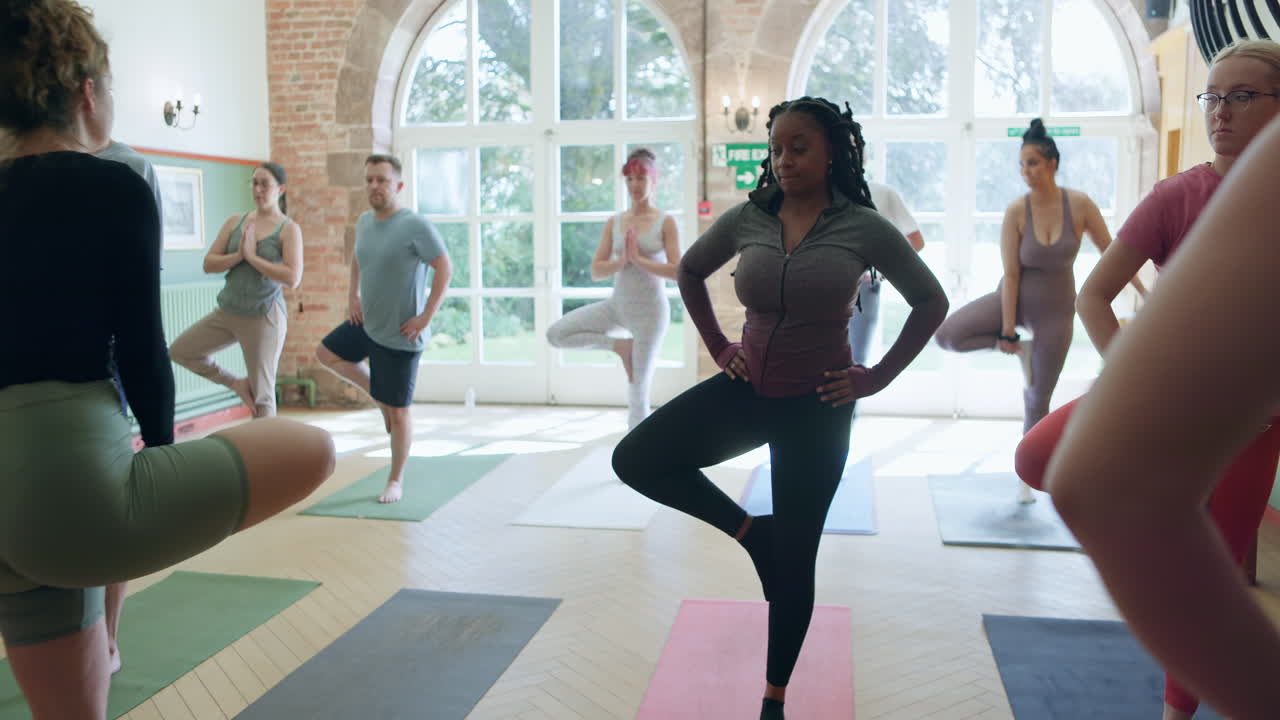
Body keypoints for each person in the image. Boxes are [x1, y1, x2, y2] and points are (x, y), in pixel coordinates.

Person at [0, 3, 335, 717]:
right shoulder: (113, 183)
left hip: (20, 496)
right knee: (313, 447)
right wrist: (154, 452)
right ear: (87, 91)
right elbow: (146, 352)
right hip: (69, 490)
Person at [612, 97, 948, 720]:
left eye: (799, 147)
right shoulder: (750, 218)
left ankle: (774, 698)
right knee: (636, 459)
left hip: (817, 409)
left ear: (831, 152)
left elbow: (931, 301)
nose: (784, 160)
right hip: (747, 390)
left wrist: (875, 378)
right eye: (777, 148)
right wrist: (718, 344)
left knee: (798, 560)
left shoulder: (863, 226)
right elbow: (689, 272)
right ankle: (750, 534)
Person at [1015, 39, 1280, 720]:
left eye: (1242, 96)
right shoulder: (1179, 194)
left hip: (1252, 423)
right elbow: (1095, 296)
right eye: (1213, 96)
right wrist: (1130, 380)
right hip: (1169, 399)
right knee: (1038, 456)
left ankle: (1176, 712)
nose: (1221, 111)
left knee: (1212, 578)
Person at [933, 119, 1145, 437]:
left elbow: (1112, 252)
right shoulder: (1017, 211)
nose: (1025, 172)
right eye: (1021, 165)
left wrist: (1143, 291)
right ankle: (1022, 349)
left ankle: (1028, 475)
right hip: (1013, 301)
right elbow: (1011, 273)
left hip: (1056, 315)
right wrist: (1005, 332)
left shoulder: (1080, 204)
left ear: (1052, 163)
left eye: (1031, 163)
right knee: (948, 336)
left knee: (1037, 399)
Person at [316, 154, 452, 504]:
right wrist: (352, 295)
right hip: (367, 322)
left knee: (400, 413)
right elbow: (358, 259)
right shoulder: (364, 222)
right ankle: (378, 395)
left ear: (399, 186)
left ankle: (395, 480)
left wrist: (425, 317)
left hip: (402, 334)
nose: (374, 187)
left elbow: (444, 268)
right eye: (370, 180)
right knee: (326, 353)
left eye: (382, 180)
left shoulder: (414, 225)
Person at [546, 148, 681, 429]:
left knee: (638, 390)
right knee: (557, 334)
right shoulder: (615, 222)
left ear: (653, 181)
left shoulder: (665, 222)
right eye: (629, 179)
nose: (634, 185)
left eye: (640, 179)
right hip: (616, 307)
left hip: (650, 314)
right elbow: (596, 270)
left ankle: (637, 456)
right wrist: (622, 261)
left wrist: (640, 260)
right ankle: (620, 346)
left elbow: (677, 272)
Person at [170, 162, 301, 418]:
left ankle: (265, 455)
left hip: (264, 316)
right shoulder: (235, 222)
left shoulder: (288, 229)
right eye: (254, 182)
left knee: (263, 397)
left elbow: (292, 277)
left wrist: (253, 259)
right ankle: (237, 384)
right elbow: (209, 264)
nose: (258, 189)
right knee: (181, 350)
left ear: (281, 189)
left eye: (265, 183)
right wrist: (240, 255)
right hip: (228, 311)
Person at [847, 181, 925, 399]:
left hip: (864, 287)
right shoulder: (815, 194)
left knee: (855, 363)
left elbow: (916, 240)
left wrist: (879, 272)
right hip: (822, 283)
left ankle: (848, 422)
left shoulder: (882, 194)